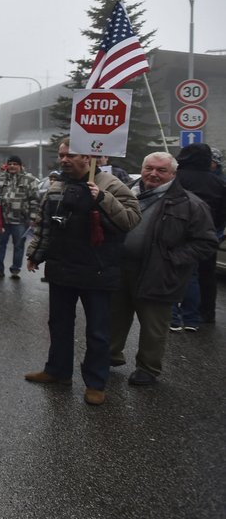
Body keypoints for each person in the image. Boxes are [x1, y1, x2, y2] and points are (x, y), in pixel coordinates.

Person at [25, 138, 141, 405]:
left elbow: (131, 220)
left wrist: (102, 198)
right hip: (62, 269)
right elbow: (44, 225)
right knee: (59, 324)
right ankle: (57, 371)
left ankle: (96, 382)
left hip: (98, 271)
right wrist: (35, 254)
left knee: (98, 331)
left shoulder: (111, 185)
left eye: (71, 155)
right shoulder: (56, 187)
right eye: (61, 155)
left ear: (88, 158)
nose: (64, 160)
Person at [110, 152, 216, 385]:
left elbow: (206, 242)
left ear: (173, 174)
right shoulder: (125, 193)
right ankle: (110, 355)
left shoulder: (189, 204)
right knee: (114, 316)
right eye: (149, 168)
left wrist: (172, 259)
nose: (153, 174)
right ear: (142, 167)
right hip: (120, 268)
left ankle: (147, 368)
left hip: (158, 272)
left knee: (153, 325)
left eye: (161, 170)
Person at [173, 143, 226, 325]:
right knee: (206, 274)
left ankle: (173, 315)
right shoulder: (218, 182)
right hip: (207, 234)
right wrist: (215, 230)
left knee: (175, 271)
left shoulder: (176, 178)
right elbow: (222, 212)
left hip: (176, 232)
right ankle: (204, 313)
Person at [0, 154, 40, 278]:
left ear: (20, 166)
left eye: (15, 164)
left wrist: (33, 218)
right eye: (10, 164)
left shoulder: (30, 180)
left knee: (18, 246)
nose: (12, 166)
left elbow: (35, 199)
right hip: (3, 219)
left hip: (21, 220)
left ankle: (15, 269)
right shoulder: (0, 179)